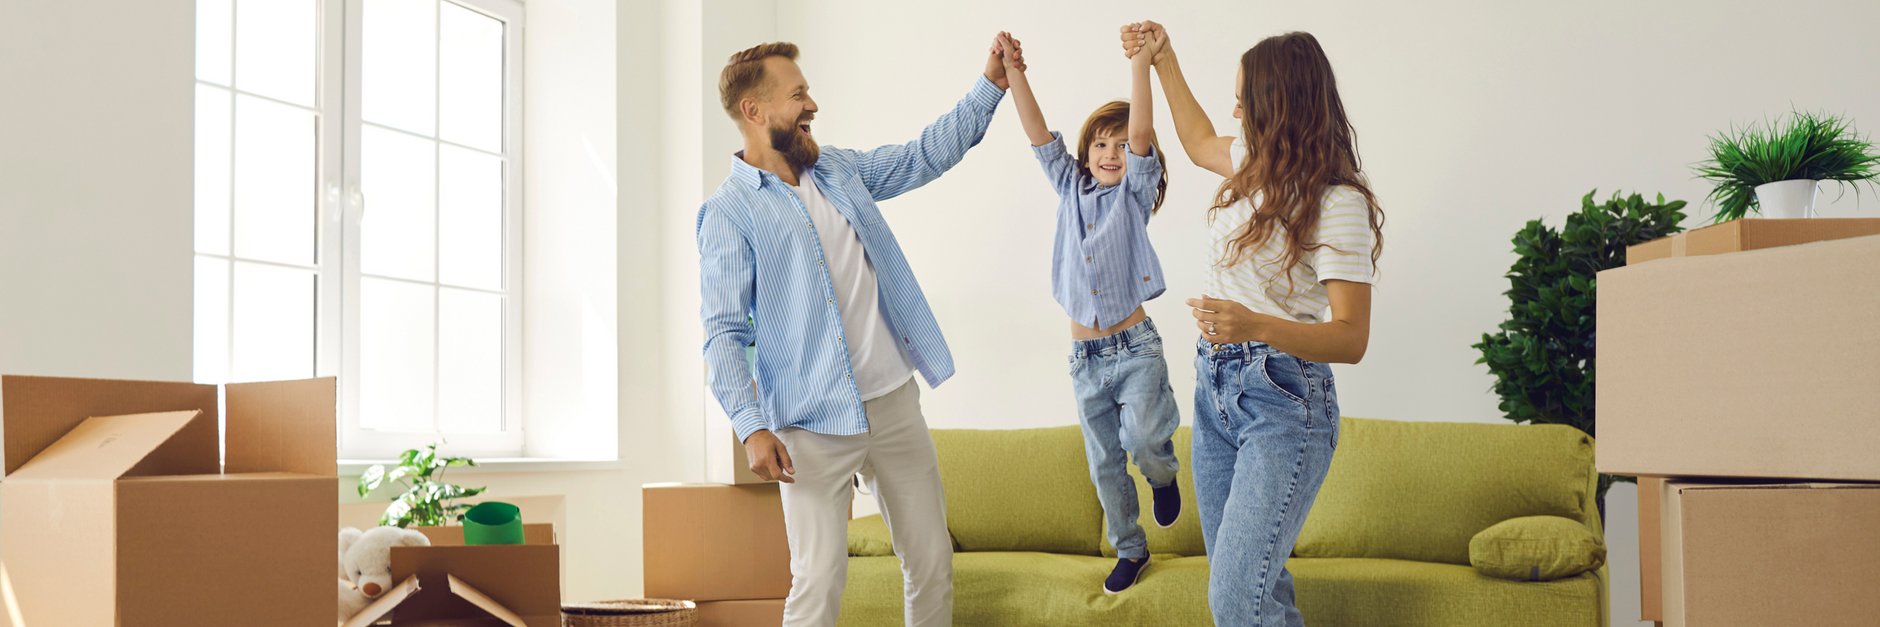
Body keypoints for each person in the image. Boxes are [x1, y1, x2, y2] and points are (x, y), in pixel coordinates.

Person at [694, 36, 1023, 627]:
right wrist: (750, 426)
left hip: (893, 404)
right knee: (818, 582)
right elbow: (723, 331)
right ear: (754, 110)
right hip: (809, 425)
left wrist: (990, 87)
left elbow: (922, 156)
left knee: (931, 564)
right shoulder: (728, 212)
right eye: (798, 94)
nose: (811, 104)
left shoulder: (838, 170)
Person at [1123, 21, 1385, 626]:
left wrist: (1255, 326)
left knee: (1237, 598)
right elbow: (1196, 141)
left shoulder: (1337, 201)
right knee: (1253, 593)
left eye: (1244, 99)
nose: (1234, 110)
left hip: (1283, 402)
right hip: (1214, 390)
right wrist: (1163, 59)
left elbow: (1352, 338)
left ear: (1279, 104)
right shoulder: (1253, 164)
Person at [996, 31, 1181, 595]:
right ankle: (1131, 548)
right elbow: (1036, 132)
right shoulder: (1069, 187)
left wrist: (1141, 65)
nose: (1111, 153)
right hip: (1085, 358)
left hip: (1135, 350)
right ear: (1085, 153)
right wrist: (1014, 71)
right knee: (1104, 463)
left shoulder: (1134, 196)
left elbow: (1142, 133)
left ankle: (1163, 475)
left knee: (1144, 440)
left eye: (1121, 146)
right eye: (1101, 144)